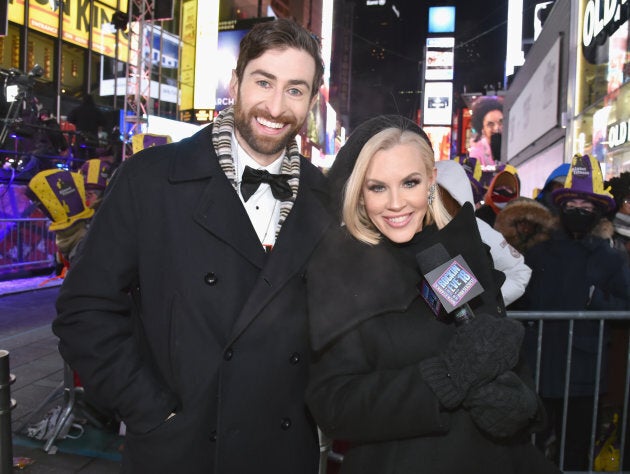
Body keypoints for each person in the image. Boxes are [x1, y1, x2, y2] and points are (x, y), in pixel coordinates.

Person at [53, 19, 332, 474]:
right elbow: (85, 308)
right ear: (236, 82)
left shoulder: (325, 197)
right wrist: (149, 410)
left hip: (283, 454)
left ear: (311, 100)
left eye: (295, 90)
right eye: (264, 82)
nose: (276, 106)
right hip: (180, 451)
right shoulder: (151, 179)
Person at [305, 115, 561, 474]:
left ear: (431, 181)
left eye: (409, 182)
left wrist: (522, 405)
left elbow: (493, 353)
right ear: (359, 194)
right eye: (377, 187)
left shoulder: (455, 252)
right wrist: (444, 378)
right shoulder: (340, 273)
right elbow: (335, 407)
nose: (396, 203)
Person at [514, 154, 630, 470]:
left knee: (575, 453)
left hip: (584, 373)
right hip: (539, 369)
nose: (579, 209)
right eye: (573, 202)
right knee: (532, 451)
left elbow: (626, 305)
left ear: (599, 209)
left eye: (587, 204)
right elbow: (519, 301)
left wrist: (597, 300)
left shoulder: (611, 260)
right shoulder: (538, 253)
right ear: (561, 206)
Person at [435, 159, 531, 307]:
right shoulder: (406, 229)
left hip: (465, 326)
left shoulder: (477, 229)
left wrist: (485, 304)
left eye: (441, 195)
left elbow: (519, 272)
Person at [468, 97, 503, 168]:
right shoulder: (476, 153)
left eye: (501, 122)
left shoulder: (512, 146)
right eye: (490, 124)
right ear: (482, 129)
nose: (497, 128)